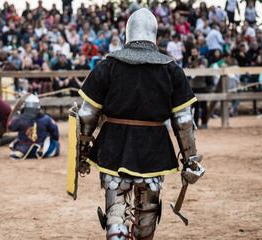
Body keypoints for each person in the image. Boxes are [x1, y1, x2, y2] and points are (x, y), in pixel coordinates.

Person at [76, 8, 204, 239]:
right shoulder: (171, 68)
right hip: (153, 149)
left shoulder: (108, 65)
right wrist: (190, 159)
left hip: (115, 147)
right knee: (148, 213)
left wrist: (82, 152)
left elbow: (86, 114)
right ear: (154, 34)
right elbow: (184, 120)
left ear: (128, 33)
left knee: (116, 214)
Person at [9, 94, 60, 160]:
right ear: (38, 107)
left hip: (22, 150)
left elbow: (10, 127)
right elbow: (55, 134)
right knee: (55, 143)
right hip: (40, 148)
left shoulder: (19, 119)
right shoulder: (46, 119)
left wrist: (17, 115)